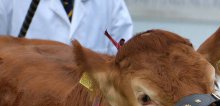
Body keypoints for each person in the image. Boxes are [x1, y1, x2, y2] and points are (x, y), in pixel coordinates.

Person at [0, 0, 133, 54]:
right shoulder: (9, 3)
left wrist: (88, 84)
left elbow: (123, 67)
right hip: (25, 105)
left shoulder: (111, 4)